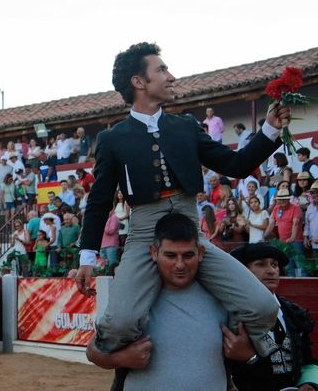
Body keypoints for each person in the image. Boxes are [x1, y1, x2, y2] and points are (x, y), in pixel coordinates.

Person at [77, 42, 288, 358]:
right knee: (119, 324)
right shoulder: (112, 139)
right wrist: (87, 258)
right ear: (139, 82)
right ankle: (117, 365)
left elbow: (236, 165)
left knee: (262, 306)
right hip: (145, 233)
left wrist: (270, 129)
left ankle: (256, 361)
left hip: (193, 230)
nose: (171, 76)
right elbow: (99, 201)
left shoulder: (186, 126)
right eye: (161, 70)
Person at [86, 213, 228, 390]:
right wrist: (119, 359)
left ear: (200, 253)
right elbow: (92, 351)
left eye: (187, 255)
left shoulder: (221, 297)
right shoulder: (136, 299)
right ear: (154, 253)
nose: (180, 265)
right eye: (170, 255)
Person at [225, 244, 318, 390]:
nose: (271, 271)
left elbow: (308, 360)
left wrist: (308, 383)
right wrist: (250, 359)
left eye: (274, 265)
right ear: (242, 271)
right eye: (261, 264)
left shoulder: (293, 313)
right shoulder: (229, 313)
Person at [266, 188, 306, 277]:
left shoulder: (295, 208)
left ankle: (305, 286)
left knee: (300, 264)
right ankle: (291, 286)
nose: (282, 201)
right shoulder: (276, 209)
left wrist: (292, 237)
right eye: (280, 199)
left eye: (284, 199)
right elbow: (271, 223)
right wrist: (265, 235)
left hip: (296, 241)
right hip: (283, 242)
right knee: (288, 265)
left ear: (288, 199)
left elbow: (295, 224)